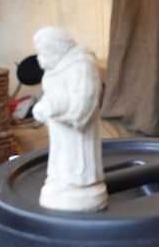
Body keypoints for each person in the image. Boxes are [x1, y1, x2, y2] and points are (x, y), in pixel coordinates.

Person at [33, 26, 107, 212]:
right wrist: (43, 107)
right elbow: (52, 92)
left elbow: (84, 101)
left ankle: (79, 184)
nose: (40, 58)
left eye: (43, 52)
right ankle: (62, 179)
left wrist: (52, 106)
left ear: (55, 49)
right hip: (59, 126)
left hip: (76, 127)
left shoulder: (81, 65)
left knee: (76, 156)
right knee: (61, 153)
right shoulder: (57, 65)